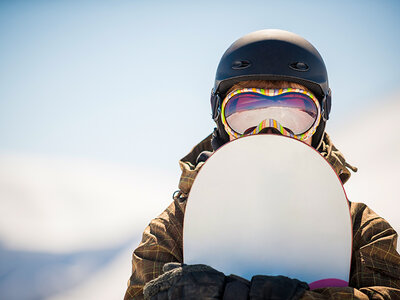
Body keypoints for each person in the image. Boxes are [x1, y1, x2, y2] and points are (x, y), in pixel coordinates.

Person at [124, 30, 400, 299]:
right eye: (246, 112)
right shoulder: (175, 227)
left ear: (320, 120)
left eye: (293, 113)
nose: (270, 131)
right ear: (220, 120)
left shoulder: (360, 228)